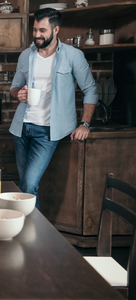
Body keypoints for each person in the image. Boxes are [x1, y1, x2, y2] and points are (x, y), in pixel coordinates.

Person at [9, 8, 98, 209]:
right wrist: (18, 94)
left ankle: (34, 235)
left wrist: (85, 124)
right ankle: (30, 233)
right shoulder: (26, 55)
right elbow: (14, 88)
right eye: (34, 30)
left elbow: (91, 90)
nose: (37, 35)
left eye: (42, 30)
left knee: (30, 184)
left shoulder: (73, 55)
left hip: (48, 131)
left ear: (56, 29)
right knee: (25, 187)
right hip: (22, 128)